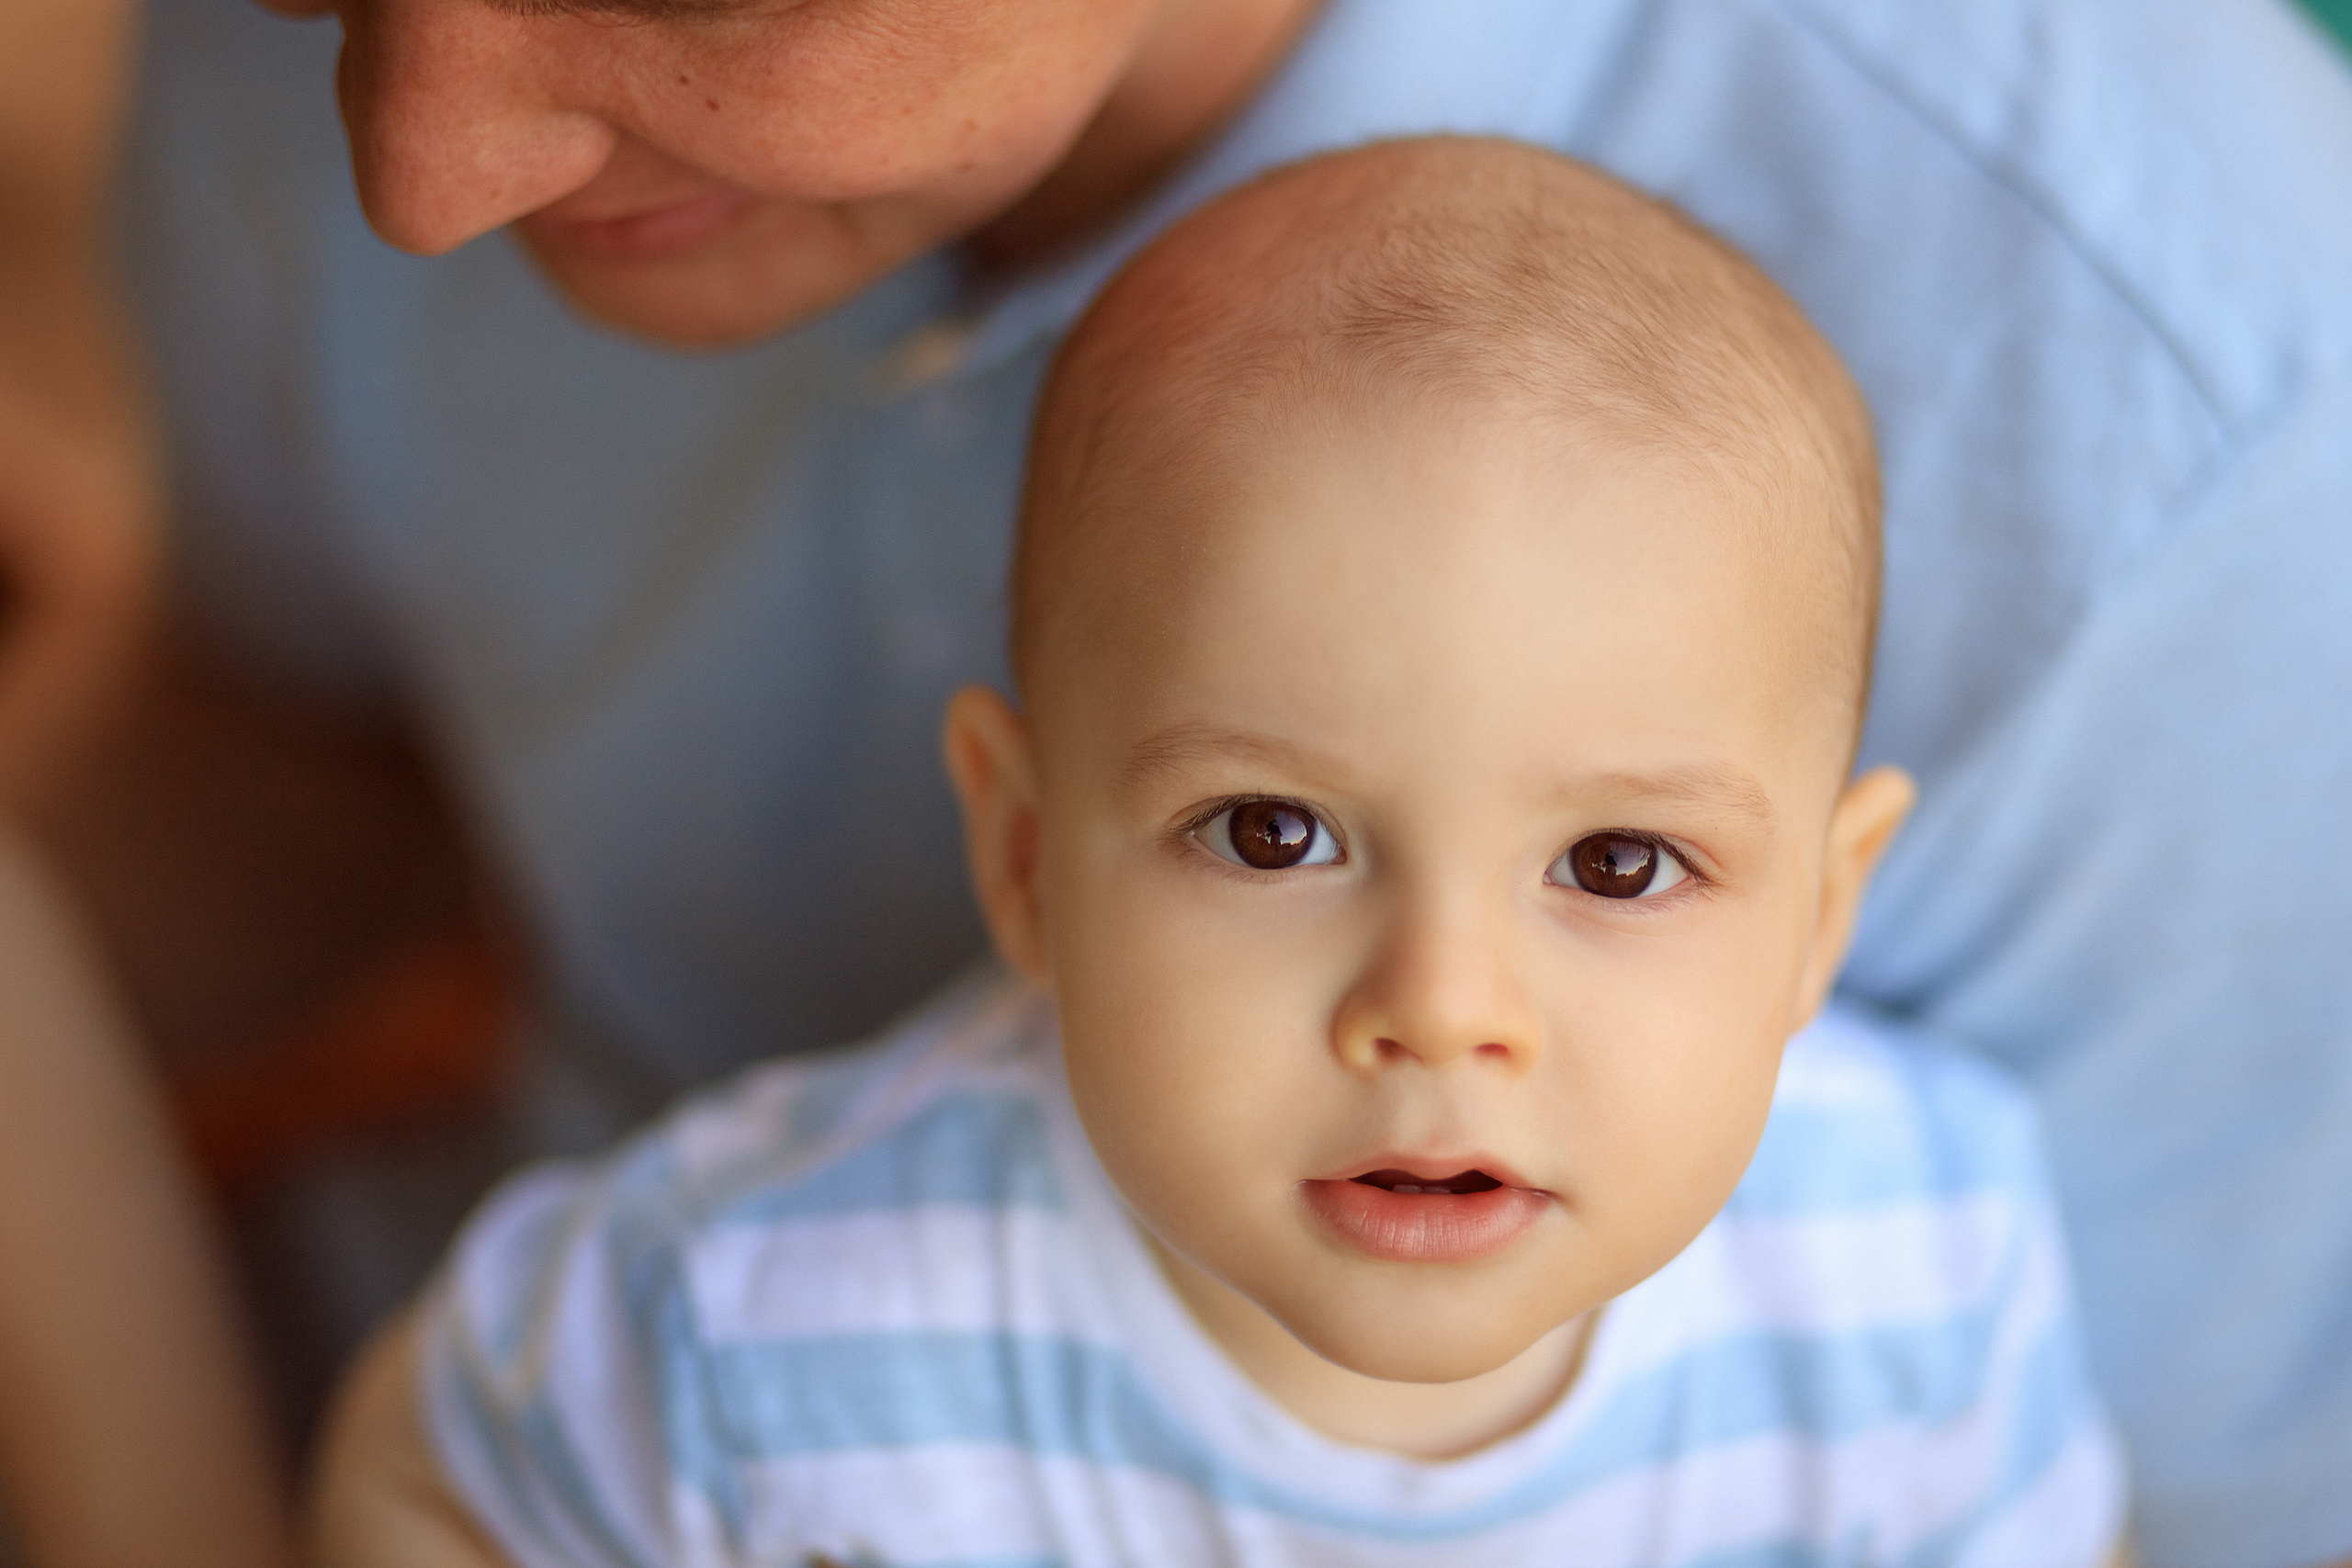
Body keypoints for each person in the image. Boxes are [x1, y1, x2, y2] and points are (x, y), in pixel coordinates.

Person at [2, 1, 2348, 1564]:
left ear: (1828, 904)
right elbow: (289, 805)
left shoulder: (2204, 412)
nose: (422, 172)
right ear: (1012, 841)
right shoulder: (739, 1330)